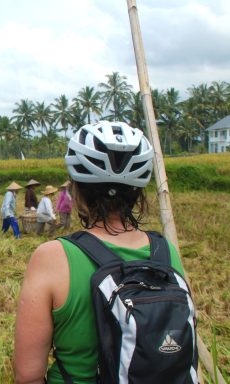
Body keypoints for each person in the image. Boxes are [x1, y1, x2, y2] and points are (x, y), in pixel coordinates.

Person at [14, 121, 184, 384]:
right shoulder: (166, 253)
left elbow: (28, 375)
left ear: (76, 189)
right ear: (138, 192)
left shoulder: (52, 257)